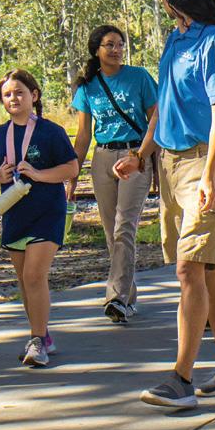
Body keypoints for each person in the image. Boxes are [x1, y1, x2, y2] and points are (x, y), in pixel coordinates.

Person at [116, 0, 215, 410]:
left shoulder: (214, 40)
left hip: (202, 163)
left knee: (188, 269)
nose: (162, 1)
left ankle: (181, 378)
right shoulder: (175, 40)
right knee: (207, 268)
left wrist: (210, 174)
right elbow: (165, 107)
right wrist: (141, 155)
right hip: (171, 165)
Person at [0, 70, 80, 367]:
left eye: (19, 92)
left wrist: (38, 174)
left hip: (47, 212)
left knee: (34, 275)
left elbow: (72, 168)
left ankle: (37, 341)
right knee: (25, 280)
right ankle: (42, 332)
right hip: (15, 213)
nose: (13, 98)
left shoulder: (51, 132)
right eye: (7, 94)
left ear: (34, 95)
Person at [69, 25, 158, 324]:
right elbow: (83, 135)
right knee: (111, 231)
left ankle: (116, 297)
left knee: (124, 227)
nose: (117, 50)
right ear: (96, 50)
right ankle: (127, 298)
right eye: (109, 45)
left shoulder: (139, 77)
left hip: (134, 155)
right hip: (103, 157)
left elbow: (156, 119)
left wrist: (142, 155)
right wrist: (73, 175)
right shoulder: (87, 86)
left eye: (120, 44)